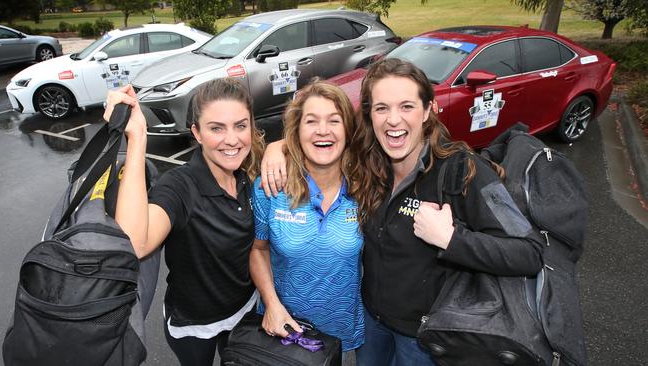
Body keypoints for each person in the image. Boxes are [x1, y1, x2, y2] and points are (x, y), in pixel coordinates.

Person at [261, 58, 543, 366]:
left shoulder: (464, 170)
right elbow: (320, 137)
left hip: (423, 339)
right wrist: (279, 148)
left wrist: (452, 240)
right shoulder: (369, 165)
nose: (393, 120)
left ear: (428, 110)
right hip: (372, 329)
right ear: (369, 115)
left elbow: (529, 252)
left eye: (406, 106)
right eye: (382, 108)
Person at [103, 78, 265, 366]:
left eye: (241, 125)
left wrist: (280, 150)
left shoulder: (249, 172)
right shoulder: (179, 187)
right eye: (216, 128)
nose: (232, 139)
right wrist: (137, 138)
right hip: (194, 325)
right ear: (197, 133)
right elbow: (136, 243)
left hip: (245, 310)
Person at [249, 80, 365, 359]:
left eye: (334, 121)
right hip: (284, 329)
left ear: (348, 130)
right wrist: (272, 304)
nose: (323, 130)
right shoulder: (271, 187)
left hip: (341, 328)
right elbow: (258, 250)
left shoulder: (367, 186)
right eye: (311, 121)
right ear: (297, 132)